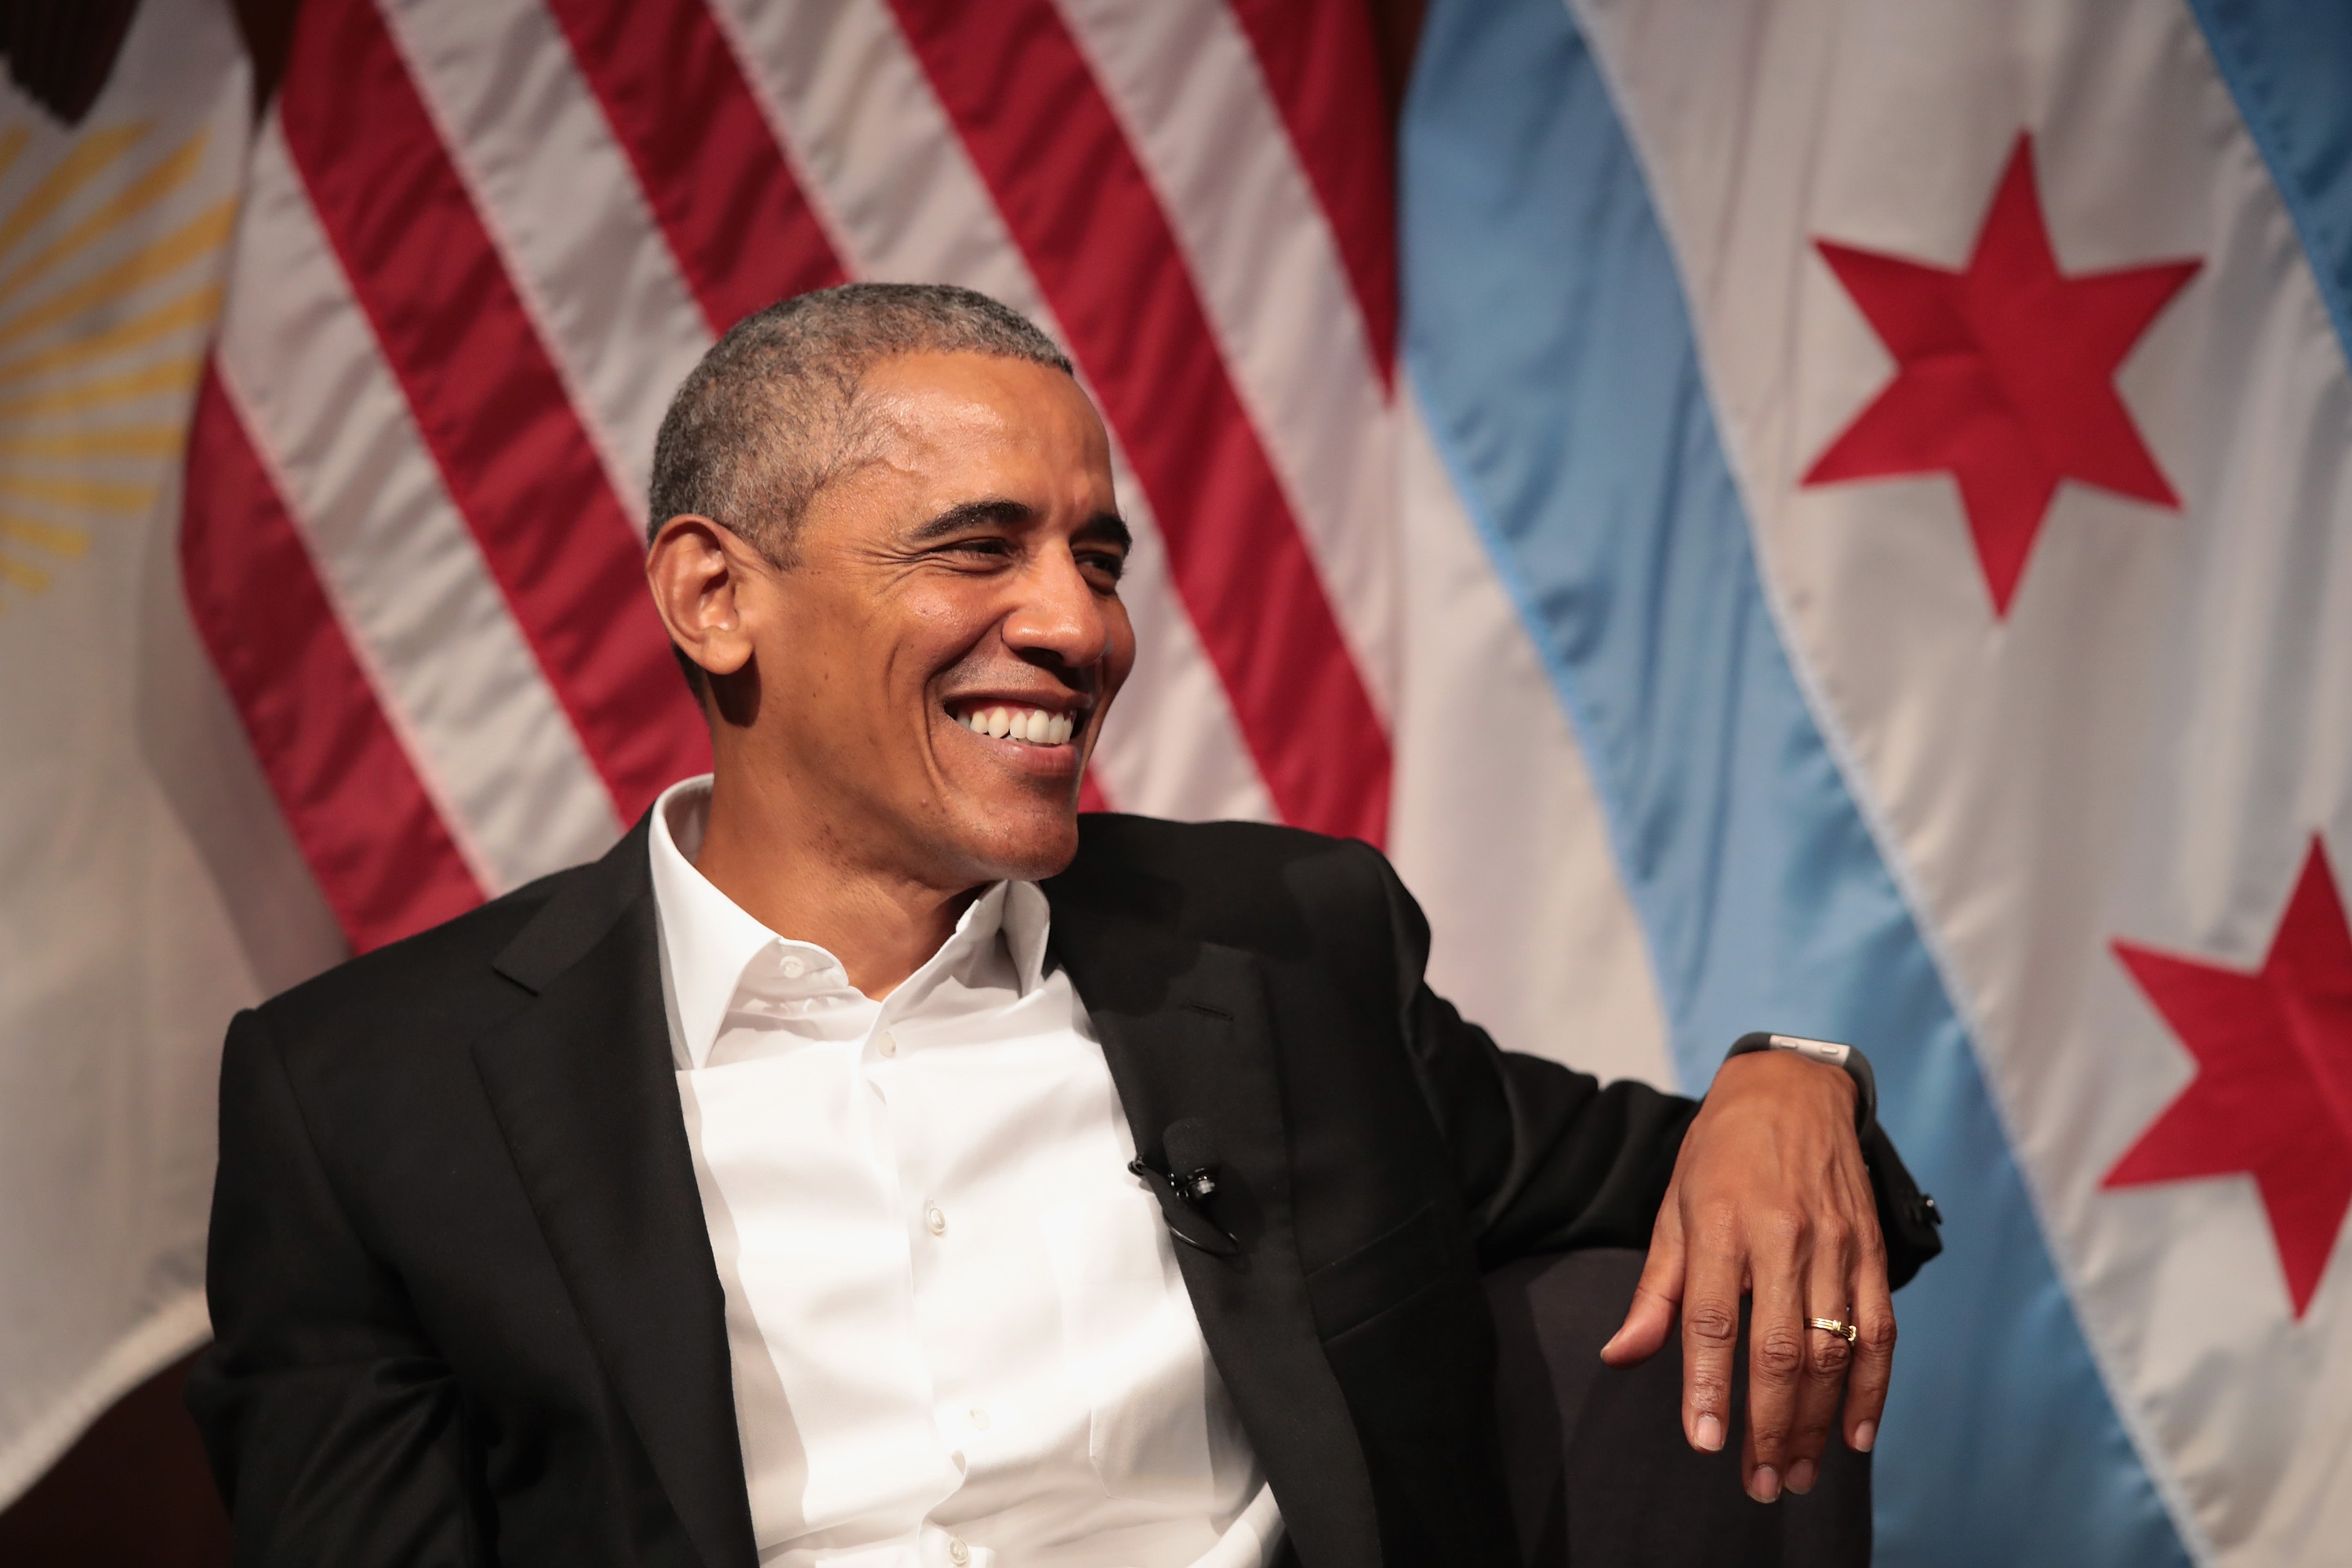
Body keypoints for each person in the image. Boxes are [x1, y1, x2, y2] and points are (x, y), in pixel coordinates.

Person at [188, 283, 1939, 1567]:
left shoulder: (1280, 954)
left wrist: (1792, 1077)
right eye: (981, 547)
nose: (1080, 626)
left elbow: (1702, 1170)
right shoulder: (373, 1101)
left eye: (1097, 559)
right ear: (716, 596)